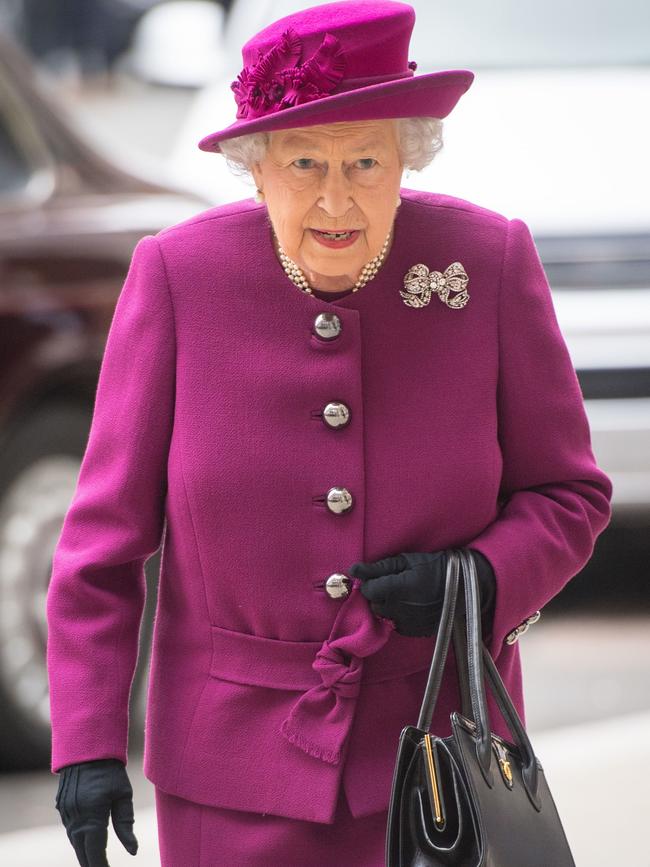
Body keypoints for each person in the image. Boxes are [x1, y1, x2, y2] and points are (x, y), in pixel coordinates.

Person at [46, 2, 613, 865]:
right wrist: (86, 743)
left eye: (365, 161)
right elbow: (101, 546)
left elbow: (570, 493)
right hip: (227, 774)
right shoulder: (177, 278)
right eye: (304, 162)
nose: (336, 197)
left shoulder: (485, 261)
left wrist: (484, 575)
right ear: (256, 168)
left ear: (404, 161)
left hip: (439, 758)